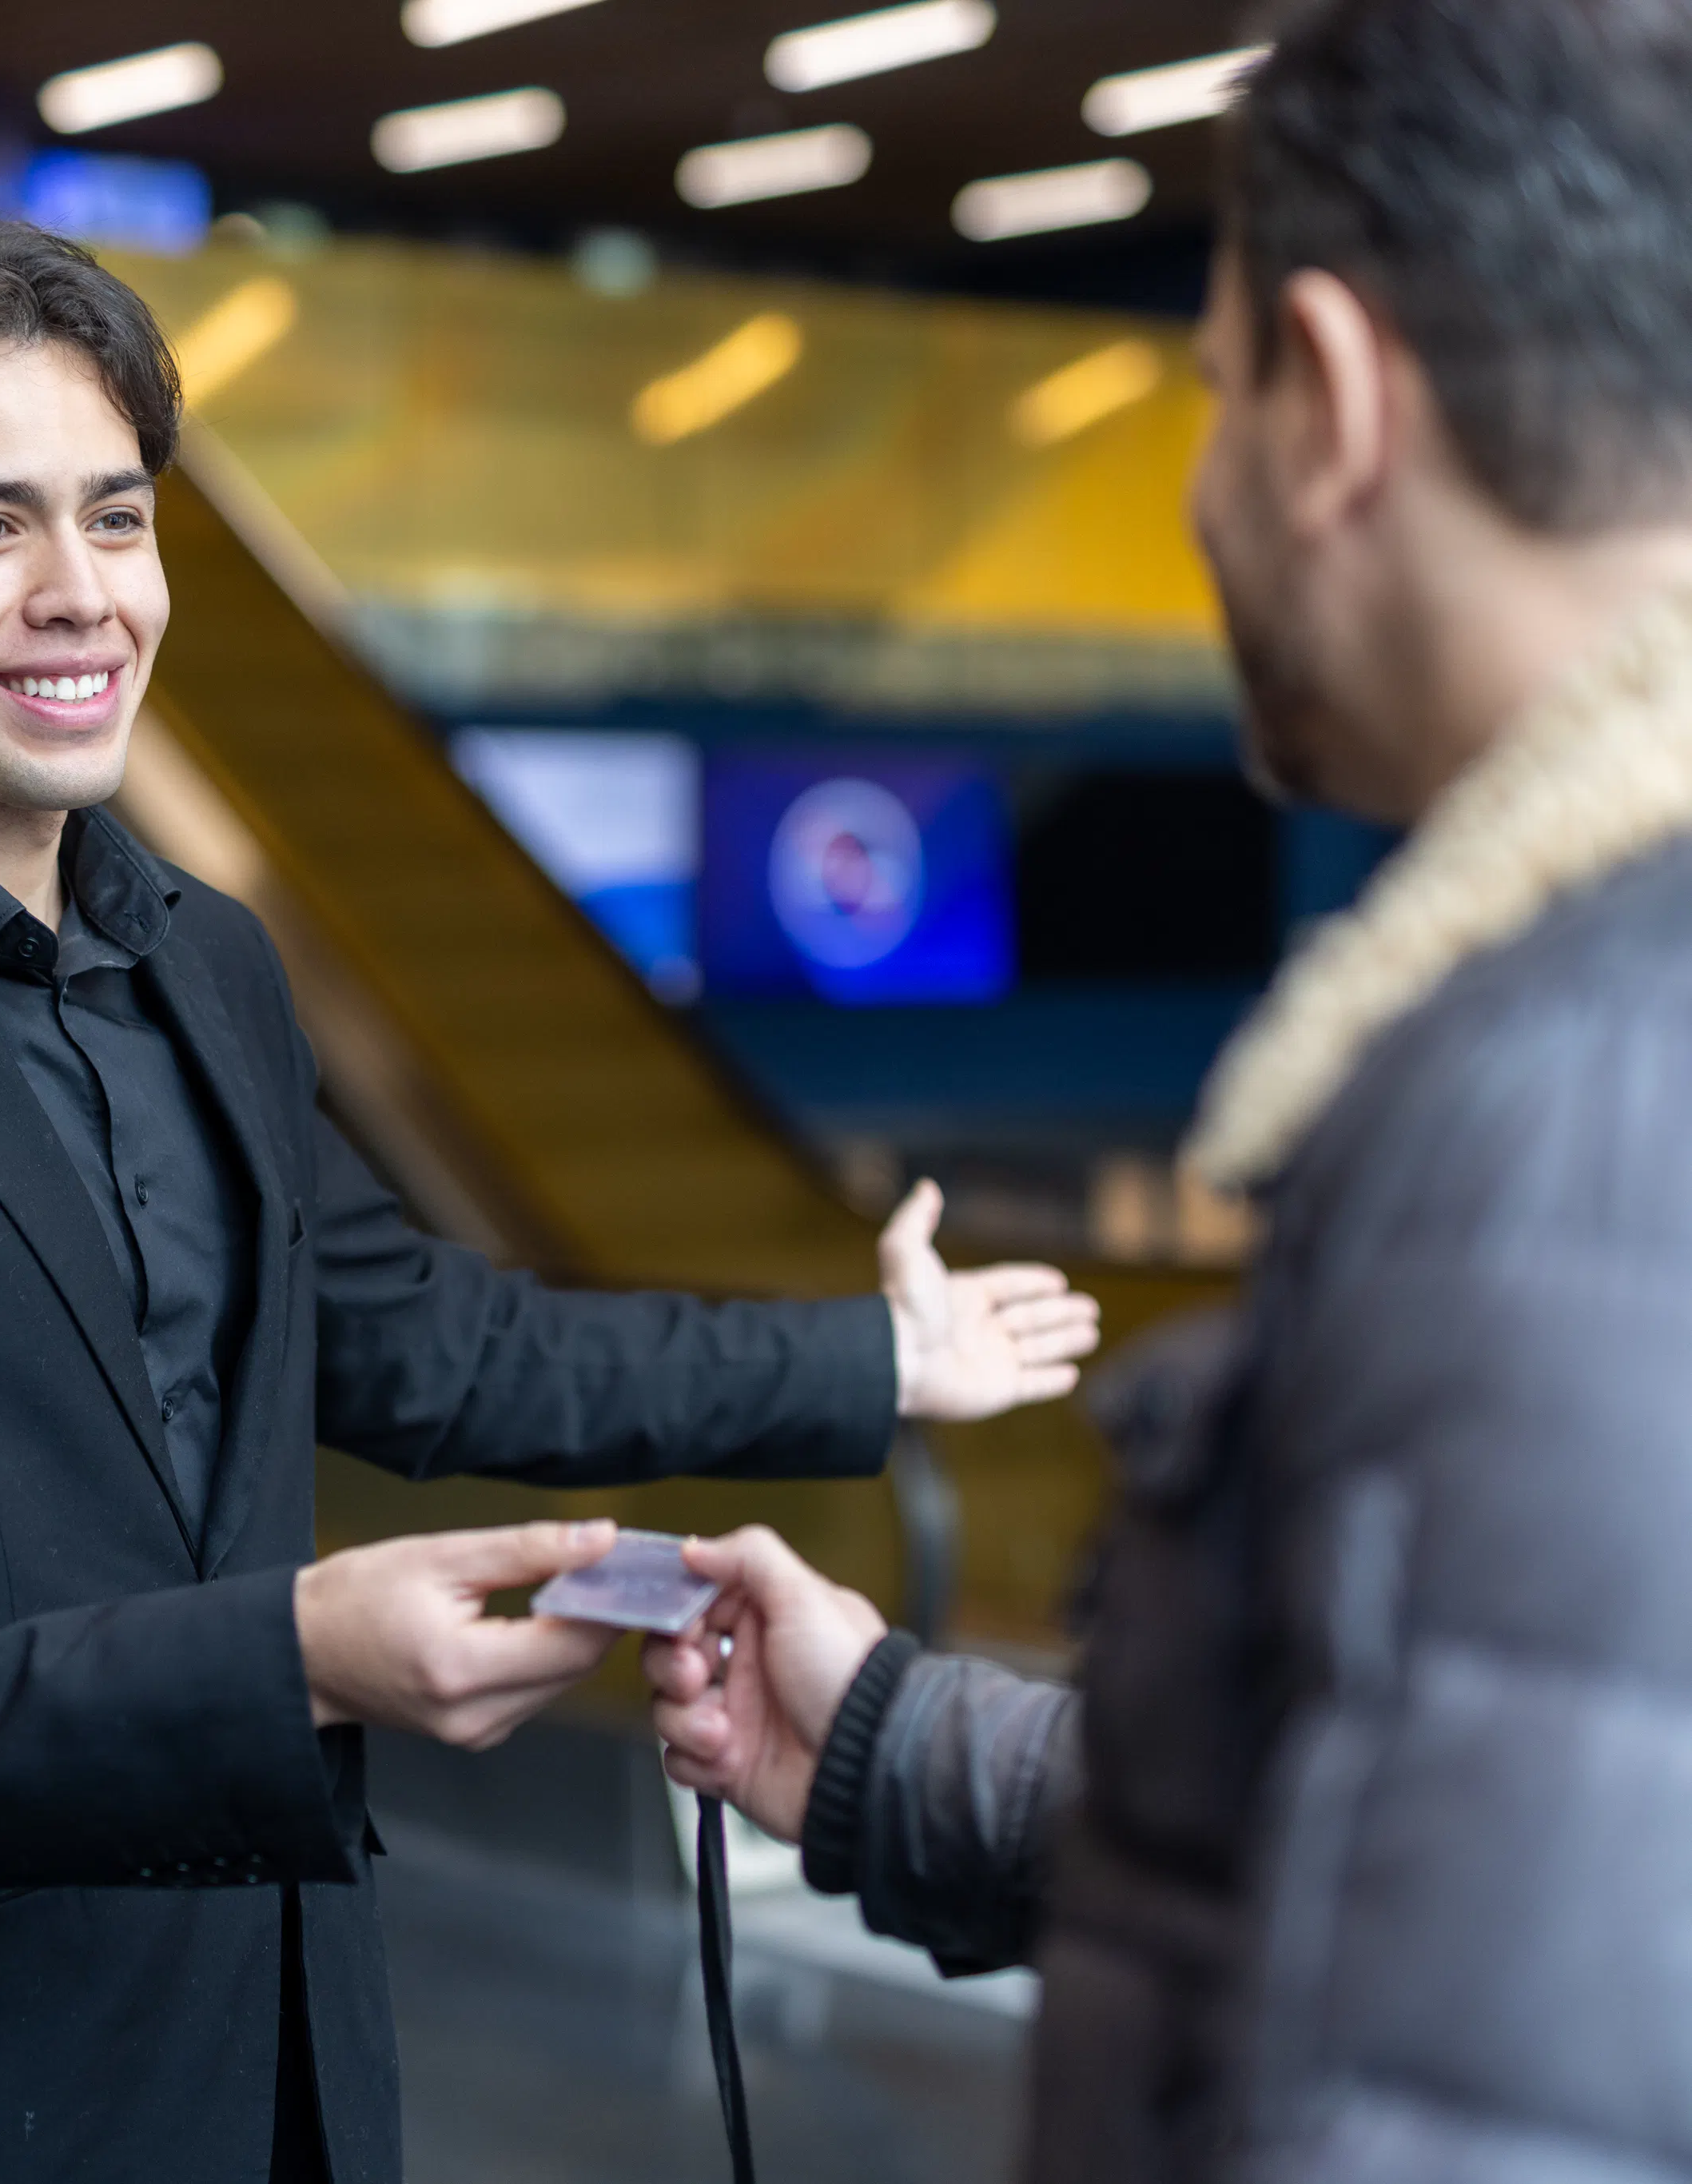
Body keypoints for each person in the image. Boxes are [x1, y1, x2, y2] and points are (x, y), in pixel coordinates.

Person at [0, 205, 1098, 2184]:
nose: (83, 595)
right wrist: (291, 1660)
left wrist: (868, 1356)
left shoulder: (204, 958)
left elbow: (422, 1339)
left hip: (286, 2082)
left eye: (120, 517)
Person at [648, 2, 1692, 2178]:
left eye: (1208, 395)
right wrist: (877, 1740)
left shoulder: (1558, 1112)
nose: (1204, 487)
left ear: (1323, 400)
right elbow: (1456, 1804)